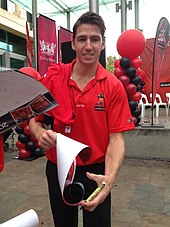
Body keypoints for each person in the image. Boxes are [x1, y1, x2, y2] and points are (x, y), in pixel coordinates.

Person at [29, 11, 135, 227]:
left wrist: (109, 178)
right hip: (59, 168)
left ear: (103, 44)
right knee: (63, 223)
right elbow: (34, 120)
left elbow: (116, 139)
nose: (88, 46)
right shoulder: (53, 79)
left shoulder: (113, 86)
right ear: (73, 44)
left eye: (95, 39)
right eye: (82, 39)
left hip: (96, 172)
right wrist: (40, 134)